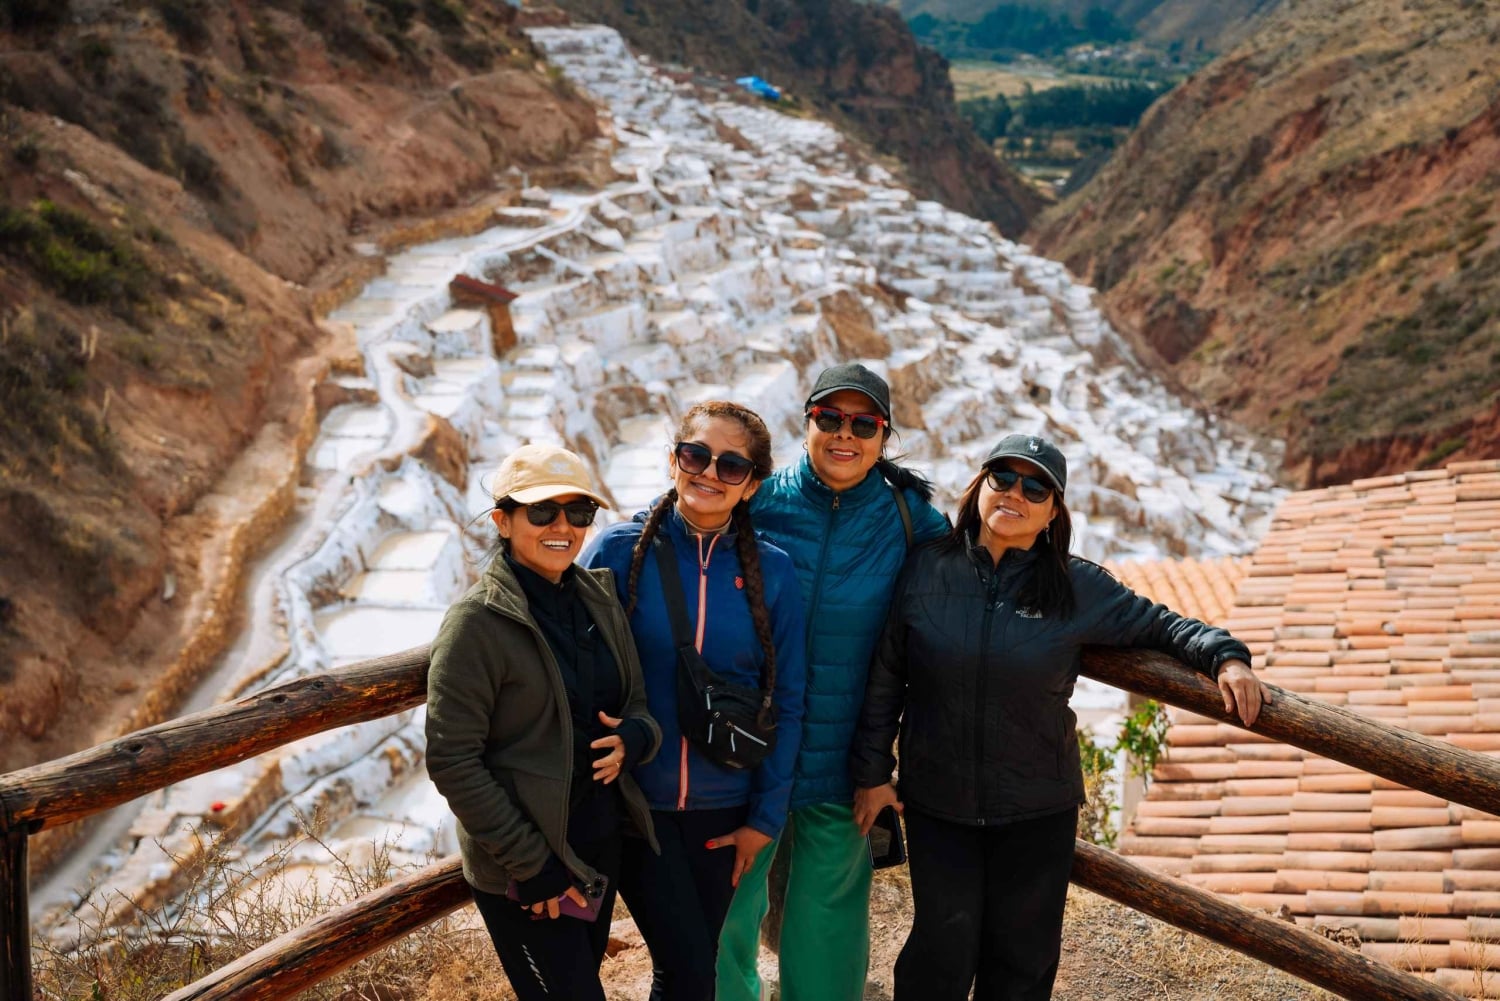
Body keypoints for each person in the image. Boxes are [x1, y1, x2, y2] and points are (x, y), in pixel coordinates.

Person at [849, 432, 1272, 1001]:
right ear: (980, 485)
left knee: (1020, 963)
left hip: (1035, 810)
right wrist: (874, 774)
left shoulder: (1077, 586)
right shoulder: (925, 570)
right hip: (938, 801)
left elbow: (1163, 625)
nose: (1015, 494)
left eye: (1036, 487)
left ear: (1053, 512)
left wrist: (1226, 656)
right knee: (938, 954)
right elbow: (886, 677)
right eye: (1004, 477)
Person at [718, 362, 949, 1001]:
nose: (844, 434)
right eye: (830, 419)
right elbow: (672, 537)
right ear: (809, 423)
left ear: (884, 436)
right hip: (743, 752)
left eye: (863, 423)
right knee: (725, 923)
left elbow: (980, 573)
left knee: (827, 933)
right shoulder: (755, 497)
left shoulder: (909, 520)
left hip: (843, 763)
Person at [583, 400, 807, 1001]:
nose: (709, 473)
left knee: (693, 970)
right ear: (674, 459)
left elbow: (787, 699)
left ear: (753, 484)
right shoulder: (617, 552)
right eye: (696, 455)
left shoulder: (776, 574)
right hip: (635, 802)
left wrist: (764, 819)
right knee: (686, 970)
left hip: (726, 809)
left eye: (731, 466)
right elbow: (571, 663)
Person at [426, 443, 662, 1001]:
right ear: (503, 521)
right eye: (541, 512)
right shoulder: (476, 625)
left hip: (596, 848)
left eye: (578, 512)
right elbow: (452, 759)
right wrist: (532, 865)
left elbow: (639, 706)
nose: (563, 526)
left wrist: (636, 738)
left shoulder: (596, 600)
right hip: (526, 872)